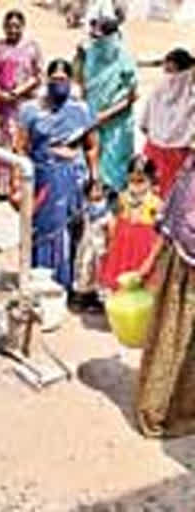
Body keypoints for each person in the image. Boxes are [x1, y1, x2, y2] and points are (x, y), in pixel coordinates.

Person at [14, 59, 99, 291]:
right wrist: (17, 182)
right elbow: (20, 147)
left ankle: (69, 282)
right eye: (54, 80)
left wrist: (95, 177)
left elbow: (91, 146)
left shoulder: (81, 110)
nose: (59, 84)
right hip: (43, 180)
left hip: (74, 178)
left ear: (71, 82)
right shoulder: (30, 110)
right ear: (46, 80)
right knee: (43, 230)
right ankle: (41, 279)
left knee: (73, 229)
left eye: (63, 80)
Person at [135, 154, 195, 438]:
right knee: (173, 340)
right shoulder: (189, 171)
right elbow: (172, 217)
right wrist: (148, 263)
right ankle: (161, 411)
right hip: (181, 271)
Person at [0, 10, 43, 198]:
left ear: (23, 27)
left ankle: (19, 185)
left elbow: (39, 75)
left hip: (23, 104)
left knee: (22, 142)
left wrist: (19, 91)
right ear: (4, 27)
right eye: (9, 26)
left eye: (17, 26)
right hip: (0, 105)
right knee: (1, 141)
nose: (13, 30)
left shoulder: (32, 48)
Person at [75, 16, 138, 192]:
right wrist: (78, 59)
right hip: (91, 118)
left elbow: (132, 96)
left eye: (100, 38)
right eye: (93, 36)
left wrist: (105, 115)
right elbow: (80, 83)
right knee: (89, 161)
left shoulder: (125, 60)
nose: (95, 41)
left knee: (113, 168)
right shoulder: (89, 54)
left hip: (116, 125)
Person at [99, 156, 161, 291]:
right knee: (121, 282)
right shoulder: (122, 197)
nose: (136, 185)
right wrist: (108, 242)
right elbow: (114, 221)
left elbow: (160, 231)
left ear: (150, 180)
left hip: (144, 247)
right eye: (132, 180)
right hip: (122, 247)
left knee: (143, 283)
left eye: (141, 181)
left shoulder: (156, 202)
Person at [140, 48, 195, 199]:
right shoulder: (158, 92)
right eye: (166, 71)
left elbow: (143, 126)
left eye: (172, 71)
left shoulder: (190, 100)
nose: (169, 77)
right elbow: (144, 124)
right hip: (158, 153)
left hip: (175, 156)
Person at [72, 178, 111, 311]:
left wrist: (109, 242)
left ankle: (97, 299)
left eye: (99, 189)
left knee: (98, 270)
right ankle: (84, 296)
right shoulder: (86, 208)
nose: (98, 192)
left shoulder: (105, 209)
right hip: (87, 242)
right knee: (85, 268)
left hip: (100, 244)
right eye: (94, 190)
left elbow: (109, 227)